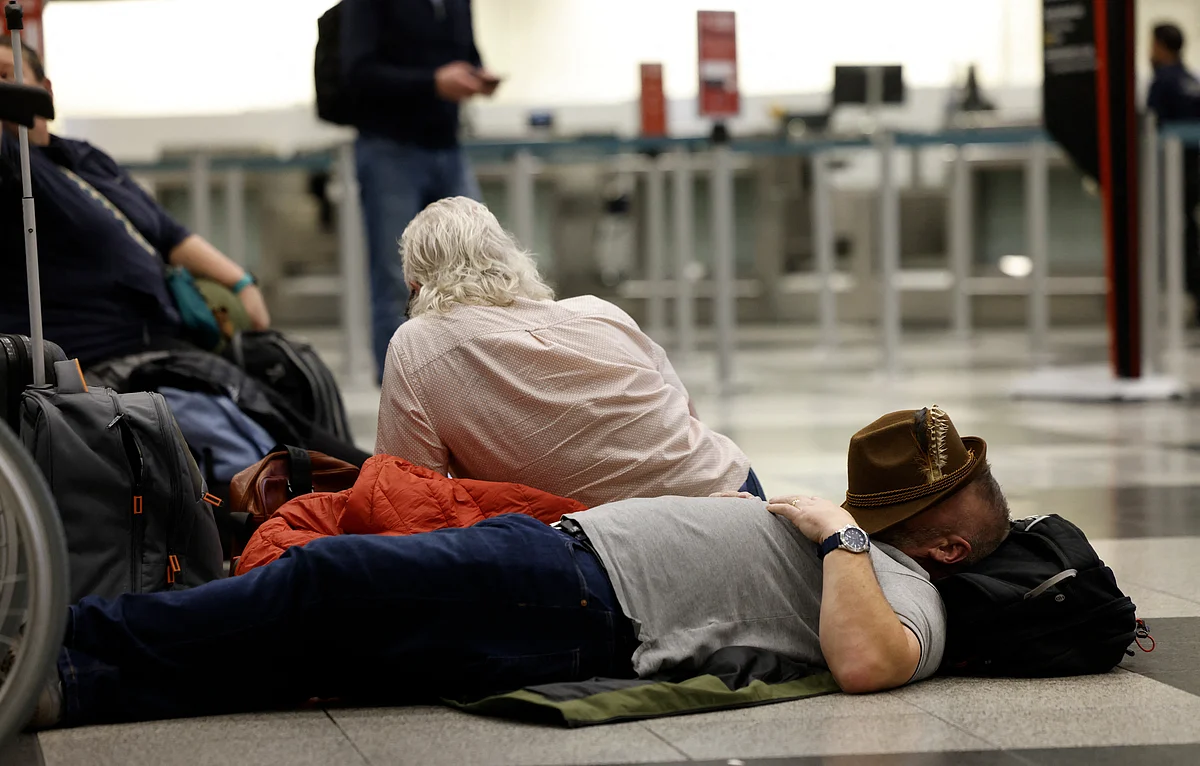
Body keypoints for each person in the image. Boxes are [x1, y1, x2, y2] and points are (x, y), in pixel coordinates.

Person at [13, 406, 1010, 728]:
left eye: (915, 501)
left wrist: (839, 535)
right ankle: (77, 686)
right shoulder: (871, 549)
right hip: (562, 569)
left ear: (948, 544)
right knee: (312, 639)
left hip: (577, 595)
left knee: (324, 587)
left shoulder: (910, 590)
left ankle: (47, 655)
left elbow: (870, 664)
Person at [374, 196, 763, 505]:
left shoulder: (417, 346)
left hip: (613, 546)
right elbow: (684, 414)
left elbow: (407, 491)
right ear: (511, 259)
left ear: (414, 285)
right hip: (729, 488)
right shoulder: (600, 312)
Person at [0, 37, 269, 369]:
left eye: (7, 74)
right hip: (100, 362)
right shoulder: (14, 169)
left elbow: (168, 232)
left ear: (45, 87)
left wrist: (241, 283)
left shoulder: (85, 157)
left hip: (164, 342)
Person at [340, 0, 500, 380]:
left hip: (447, 145)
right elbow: (357, 72)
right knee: (396, 277)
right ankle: (400, 392)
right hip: (389, 148)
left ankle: (472, 381)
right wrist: (432, 83)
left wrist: (477, 76)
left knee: (478, 261)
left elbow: (468, 55)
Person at [1148, 23, 1200, 318]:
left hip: (1173, 172)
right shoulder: (1191, 80)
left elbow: (1153, 126)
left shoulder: (1163, 81)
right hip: (1194, 168)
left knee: (1180, 236)